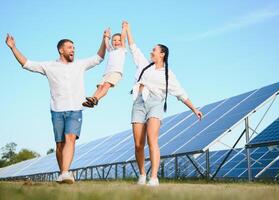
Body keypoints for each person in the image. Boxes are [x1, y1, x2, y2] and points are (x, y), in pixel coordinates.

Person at [5, 31, 106, 184]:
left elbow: (99, 57)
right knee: (59, 145)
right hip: (57, 110)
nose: (73, 50)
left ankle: (65, 172)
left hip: (75, 109)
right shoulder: (49, 66)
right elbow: (26, 64)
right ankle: (63, 173)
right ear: (61, 50)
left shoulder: (80, 64)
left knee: (70, 138)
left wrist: (104, 40)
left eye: (74, 48)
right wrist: (13, 47)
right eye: (70, 47)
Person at [124, 21, 203, 186]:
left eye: (154, 50)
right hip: (139, 103)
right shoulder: (144, 65)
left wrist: (194, 109)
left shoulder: (168, 75)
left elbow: (181, 93)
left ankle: (154, 177)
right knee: (138, 144)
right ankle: (142, 175)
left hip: (155, 104)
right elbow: (133, 48)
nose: (151, 51)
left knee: (152, 140)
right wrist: (128, 30)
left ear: (162, 54)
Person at [82, 24, 126, 108]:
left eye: (119, 40)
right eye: (114, 40)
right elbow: (106, 42)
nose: (116, 42)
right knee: (100, 86)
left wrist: (124, 28)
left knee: (106, 85)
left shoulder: (122, 49)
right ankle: (91, 100)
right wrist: (107, 35)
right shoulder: (111, 50)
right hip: (107, 73)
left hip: (116, 72)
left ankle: (96, 99)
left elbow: (123, 37)